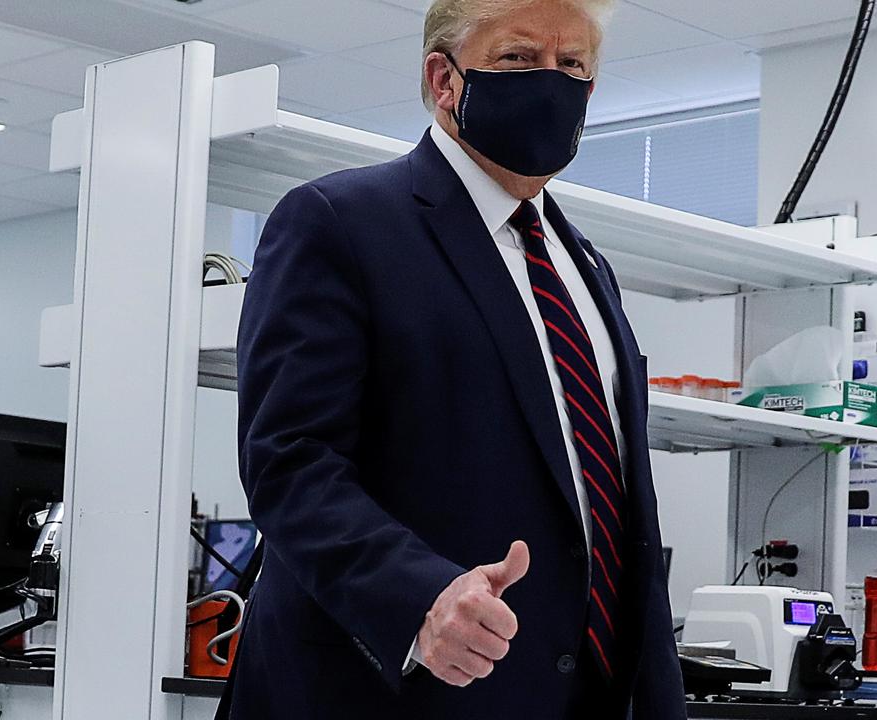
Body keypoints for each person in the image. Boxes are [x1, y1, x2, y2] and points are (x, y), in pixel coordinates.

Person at [226, 0, 686, 717]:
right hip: (389, 692)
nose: (551, 83)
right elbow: (289, 459)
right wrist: (418, 596)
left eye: (573, 66)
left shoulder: (586, 267)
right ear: (444, 79)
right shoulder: (339, 223)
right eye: (518, 58)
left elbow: (618, 501)